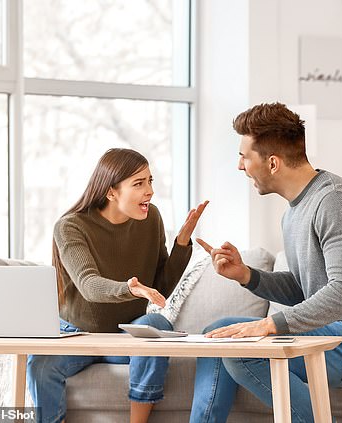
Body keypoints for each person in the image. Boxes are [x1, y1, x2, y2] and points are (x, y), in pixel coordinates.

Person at [189, 103, 342, 423]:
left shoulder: (334, 201)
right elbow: (305, 289)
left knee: (243, 350)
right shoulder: (294, 211)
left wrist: (268, 325)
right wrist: (246, 275)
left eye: (244, 156)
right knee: (218, 334)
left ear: (273, 163)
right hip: (340, 334)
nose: (240, 166)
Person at [27, 148, 208, 423]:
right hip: (77, 335)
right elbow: (89, 285)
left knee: (157, 325)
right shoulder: (70, 226)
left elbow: (160, 288)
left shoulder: (151, 219)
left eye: (150, 181)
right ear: (111, 192)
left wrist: (182, 245)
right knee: (40, 361)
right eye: (139, 183)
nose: (149, 191)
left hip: (124, 335)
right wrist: (129, 288)